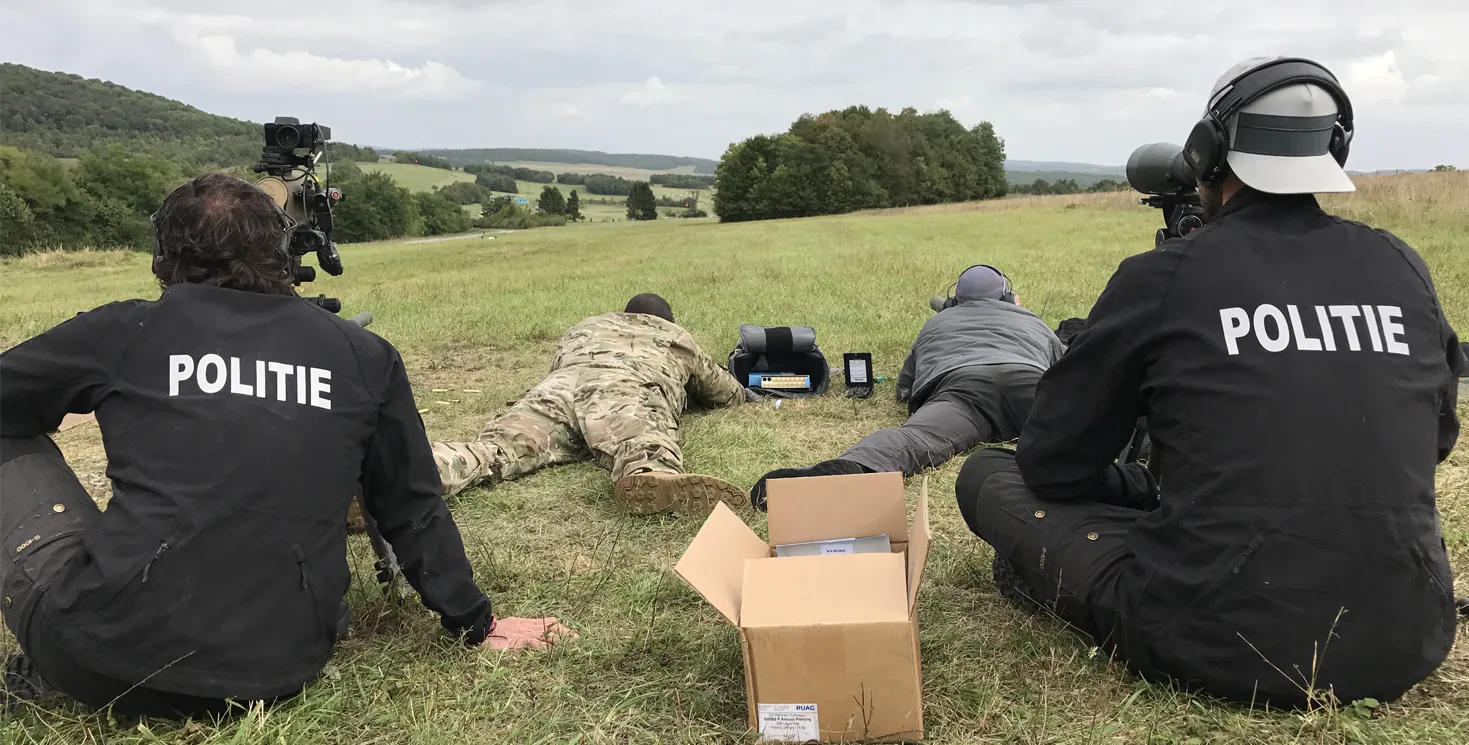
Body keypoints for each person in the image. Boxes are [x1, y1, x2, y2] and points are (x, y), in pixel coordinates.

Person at [955, 57, 1464, 708]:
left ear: (1207, 152)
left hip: (1208, 636)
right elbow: (1435, 439)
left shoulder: (1163, 275)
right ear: (1334, 148)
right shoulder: (1401, 265)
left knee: (987, 477)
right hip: (1408, 634)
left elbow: (1052, 462)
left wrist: (1125, 485)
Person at [0, 174, 571, 718]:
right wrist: (477, 622)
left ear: (164, 256)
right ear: (284, 252)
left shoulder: (125, 330)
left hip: (95, 659)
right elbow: (411, 502)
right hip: (281, 670)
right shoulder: (363, 353)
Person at [748, 265, 1062, 508]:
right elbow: (1069, 374)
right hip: (1030, 382)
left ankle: (843, 473)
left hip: (962, 390)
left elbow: (904, 389)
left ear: (953, 300)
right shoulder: (1033, 321)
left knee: (912, 439)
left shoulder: (936, 323)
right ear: (1008, 298)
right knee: (1088, 430)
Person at [432, 293, 751, 515]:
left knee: (495, 449)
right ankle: (652, 472)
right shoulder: (675, 336)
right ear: (668, 320)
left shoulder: (585, 326)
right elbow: (725, 393)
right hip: (623, 391)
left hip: (560, 389)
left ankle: (427, 466)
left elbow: (558, 365)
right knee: (642, 439)